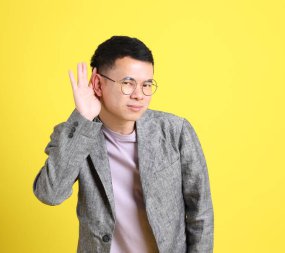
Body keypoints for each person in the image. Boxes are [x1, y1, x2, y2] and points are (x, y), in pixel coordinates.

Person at [33, 35, 214, 253]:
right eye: (128, 83)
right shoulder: (76, 134)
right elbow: (50, 194)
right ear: (98, 84)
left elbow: (200, 212)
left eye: (147, 84)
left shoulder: (175, 132)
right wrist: (83, 118)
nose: (139, 95)